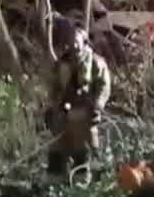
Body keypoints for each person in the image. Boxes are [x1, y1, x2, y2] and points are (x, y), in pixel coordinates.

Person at [46, 18, 112, 179]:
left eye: (76, 41)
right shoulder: (61, 64)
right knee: (57, 145)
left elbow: (104, 86)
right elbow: (54, 87)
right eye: (70, 41)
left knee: (83, 146)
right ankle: (55, 179)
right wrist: (52, 107)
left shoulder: (96, 63)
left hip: (85, 111)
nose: (73, 45)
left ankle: (84, 178)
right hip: (64, 111)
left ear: (84, 42)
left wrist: (97, 105)